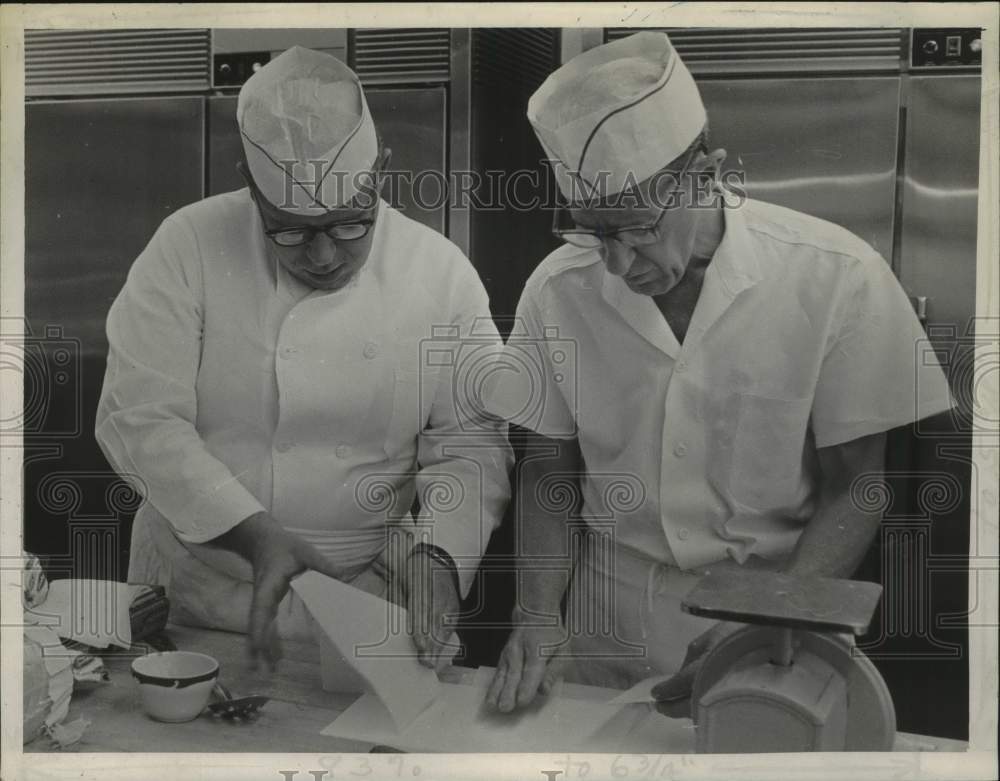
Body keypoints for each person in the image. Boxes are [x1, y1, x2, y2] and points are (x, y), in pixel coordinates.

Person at [483, 31, 954, 713]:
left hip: (772, 610)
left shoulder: (835, 276)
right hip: (604, 621)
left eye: (636, 225)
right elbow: (547, 470)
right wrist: (534, 611)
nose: (616, 264)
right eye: (593, 230)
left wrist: (771, 611)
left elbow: (857, 485)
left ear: (708, 173)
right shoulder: (557, 290)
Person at [96, 46, 512, 669]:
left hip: (365, 596)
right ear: (249, 186)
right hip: (199, 590)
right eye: (289, 230)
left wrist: (439, 558)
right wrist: (256, 535)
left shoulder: (440, 273)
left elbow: (472, 444)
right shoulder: (188, 246)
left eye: (350, 225)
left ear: (382, 171)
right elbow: (141, 417)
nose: (322, 257)